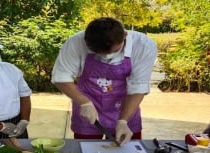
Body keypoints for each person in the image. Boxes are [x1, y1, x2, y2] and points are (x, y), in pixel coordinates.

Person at [51, 17, 157, 145]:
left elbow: (138, 87)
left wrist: (123, 121)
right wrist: (84, 103)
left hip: (124, 105)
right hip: (88, 107)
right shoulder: (75, 42)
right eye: (99, 53)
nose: (106, 57)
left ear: (125, 35)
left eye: (113, 52)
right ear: (86, 40)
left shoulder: (143, 46)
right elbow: (61, 77)